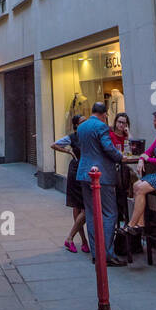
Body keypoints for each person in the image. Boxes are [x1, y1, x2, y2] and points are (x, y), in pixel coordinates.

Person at [75, 102, 126, 267]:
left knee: (91, 213)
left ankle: (96, 253)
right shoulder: (102, 127)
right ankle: (107, 254)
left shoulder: (82, 127)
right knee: (110, 213)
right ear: (104, 114)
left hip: (84, 172)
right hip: (100, 175)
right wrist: (121, 157)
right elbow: (108, 148)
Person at [51, 115, 88, 254]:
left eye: (86, 121)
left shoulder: (90, 135)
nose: (85, 124)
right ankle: (83, 241)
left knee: (85, 208)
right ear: (77, 125)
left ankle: (71, 238)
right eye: (82, 122)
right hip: (75, 171)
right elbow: (54, 144)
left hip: (87, 172)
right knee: (78, 207)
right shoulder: (72, 137)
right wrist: (68, 151)